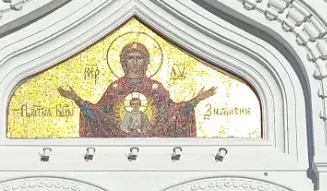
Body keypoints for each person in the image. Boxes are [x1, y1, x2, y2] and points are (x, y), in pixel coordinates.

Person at [58, 42, 215, 137]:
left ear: (146, 62)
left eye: (138, 58)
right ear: (123, 62)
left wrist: (196, 100)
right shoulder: (115, 88)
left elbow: (172, 114)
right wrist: (76, 99)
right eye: (130, 58)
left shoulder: (156, 88)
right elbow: (100, 116)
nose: (134, 62)